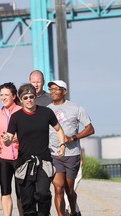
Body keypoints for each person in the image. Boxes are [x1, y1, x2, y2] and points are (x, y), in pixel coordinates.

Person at [1, 83, 65, 215]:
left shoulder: (46, 112)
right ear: (20, 99)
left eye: (31, 97)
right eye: (25, 98)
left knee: (43, 194)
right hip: (24, 163)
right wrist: (6, 140)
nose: (29, 100)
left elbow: (59, 129)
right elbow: (8, 140)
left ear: (35, 97)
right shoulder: (16, 117)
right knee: (27, 201)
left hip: (43, 161)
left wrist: (62, 145)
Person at [47, 80, 95, 216]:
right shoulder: (47, 110)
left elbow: (90, 129)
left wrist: (72, 138)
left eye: (57, 89)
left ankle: (73, 211)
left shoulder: (76, 108)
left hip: (72, 154)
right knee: (58, 188)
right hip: (54, 154)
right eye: (51, 89)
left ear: (64, 91)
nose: (53, 91)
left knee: (69, 190)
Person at [0, 82, 23, 216]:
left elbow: (28, 133)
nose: (3, 97)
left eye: (6, 95)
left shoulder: (21, 112)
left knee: (21, 192)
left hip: (20, 155)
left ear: (14, 96)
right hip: (3, 157)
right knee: (5, 190)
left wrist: (17, 139)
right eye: (1, 95)